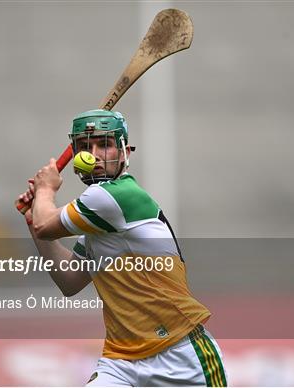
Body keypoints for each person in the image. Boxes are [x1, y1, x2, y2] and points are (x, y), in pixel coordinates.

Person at [18, 109, 227, 387]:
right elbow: (69, 280)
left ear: (125, 152)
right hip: (120, 361)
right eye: (85, 147)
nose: (93, 155)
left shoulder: (115, 197)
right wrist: (33, 218)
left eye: (104, 145)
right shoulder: (98, 220)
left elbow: (49, 225)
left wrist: (45, 190)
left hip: (179, 355)